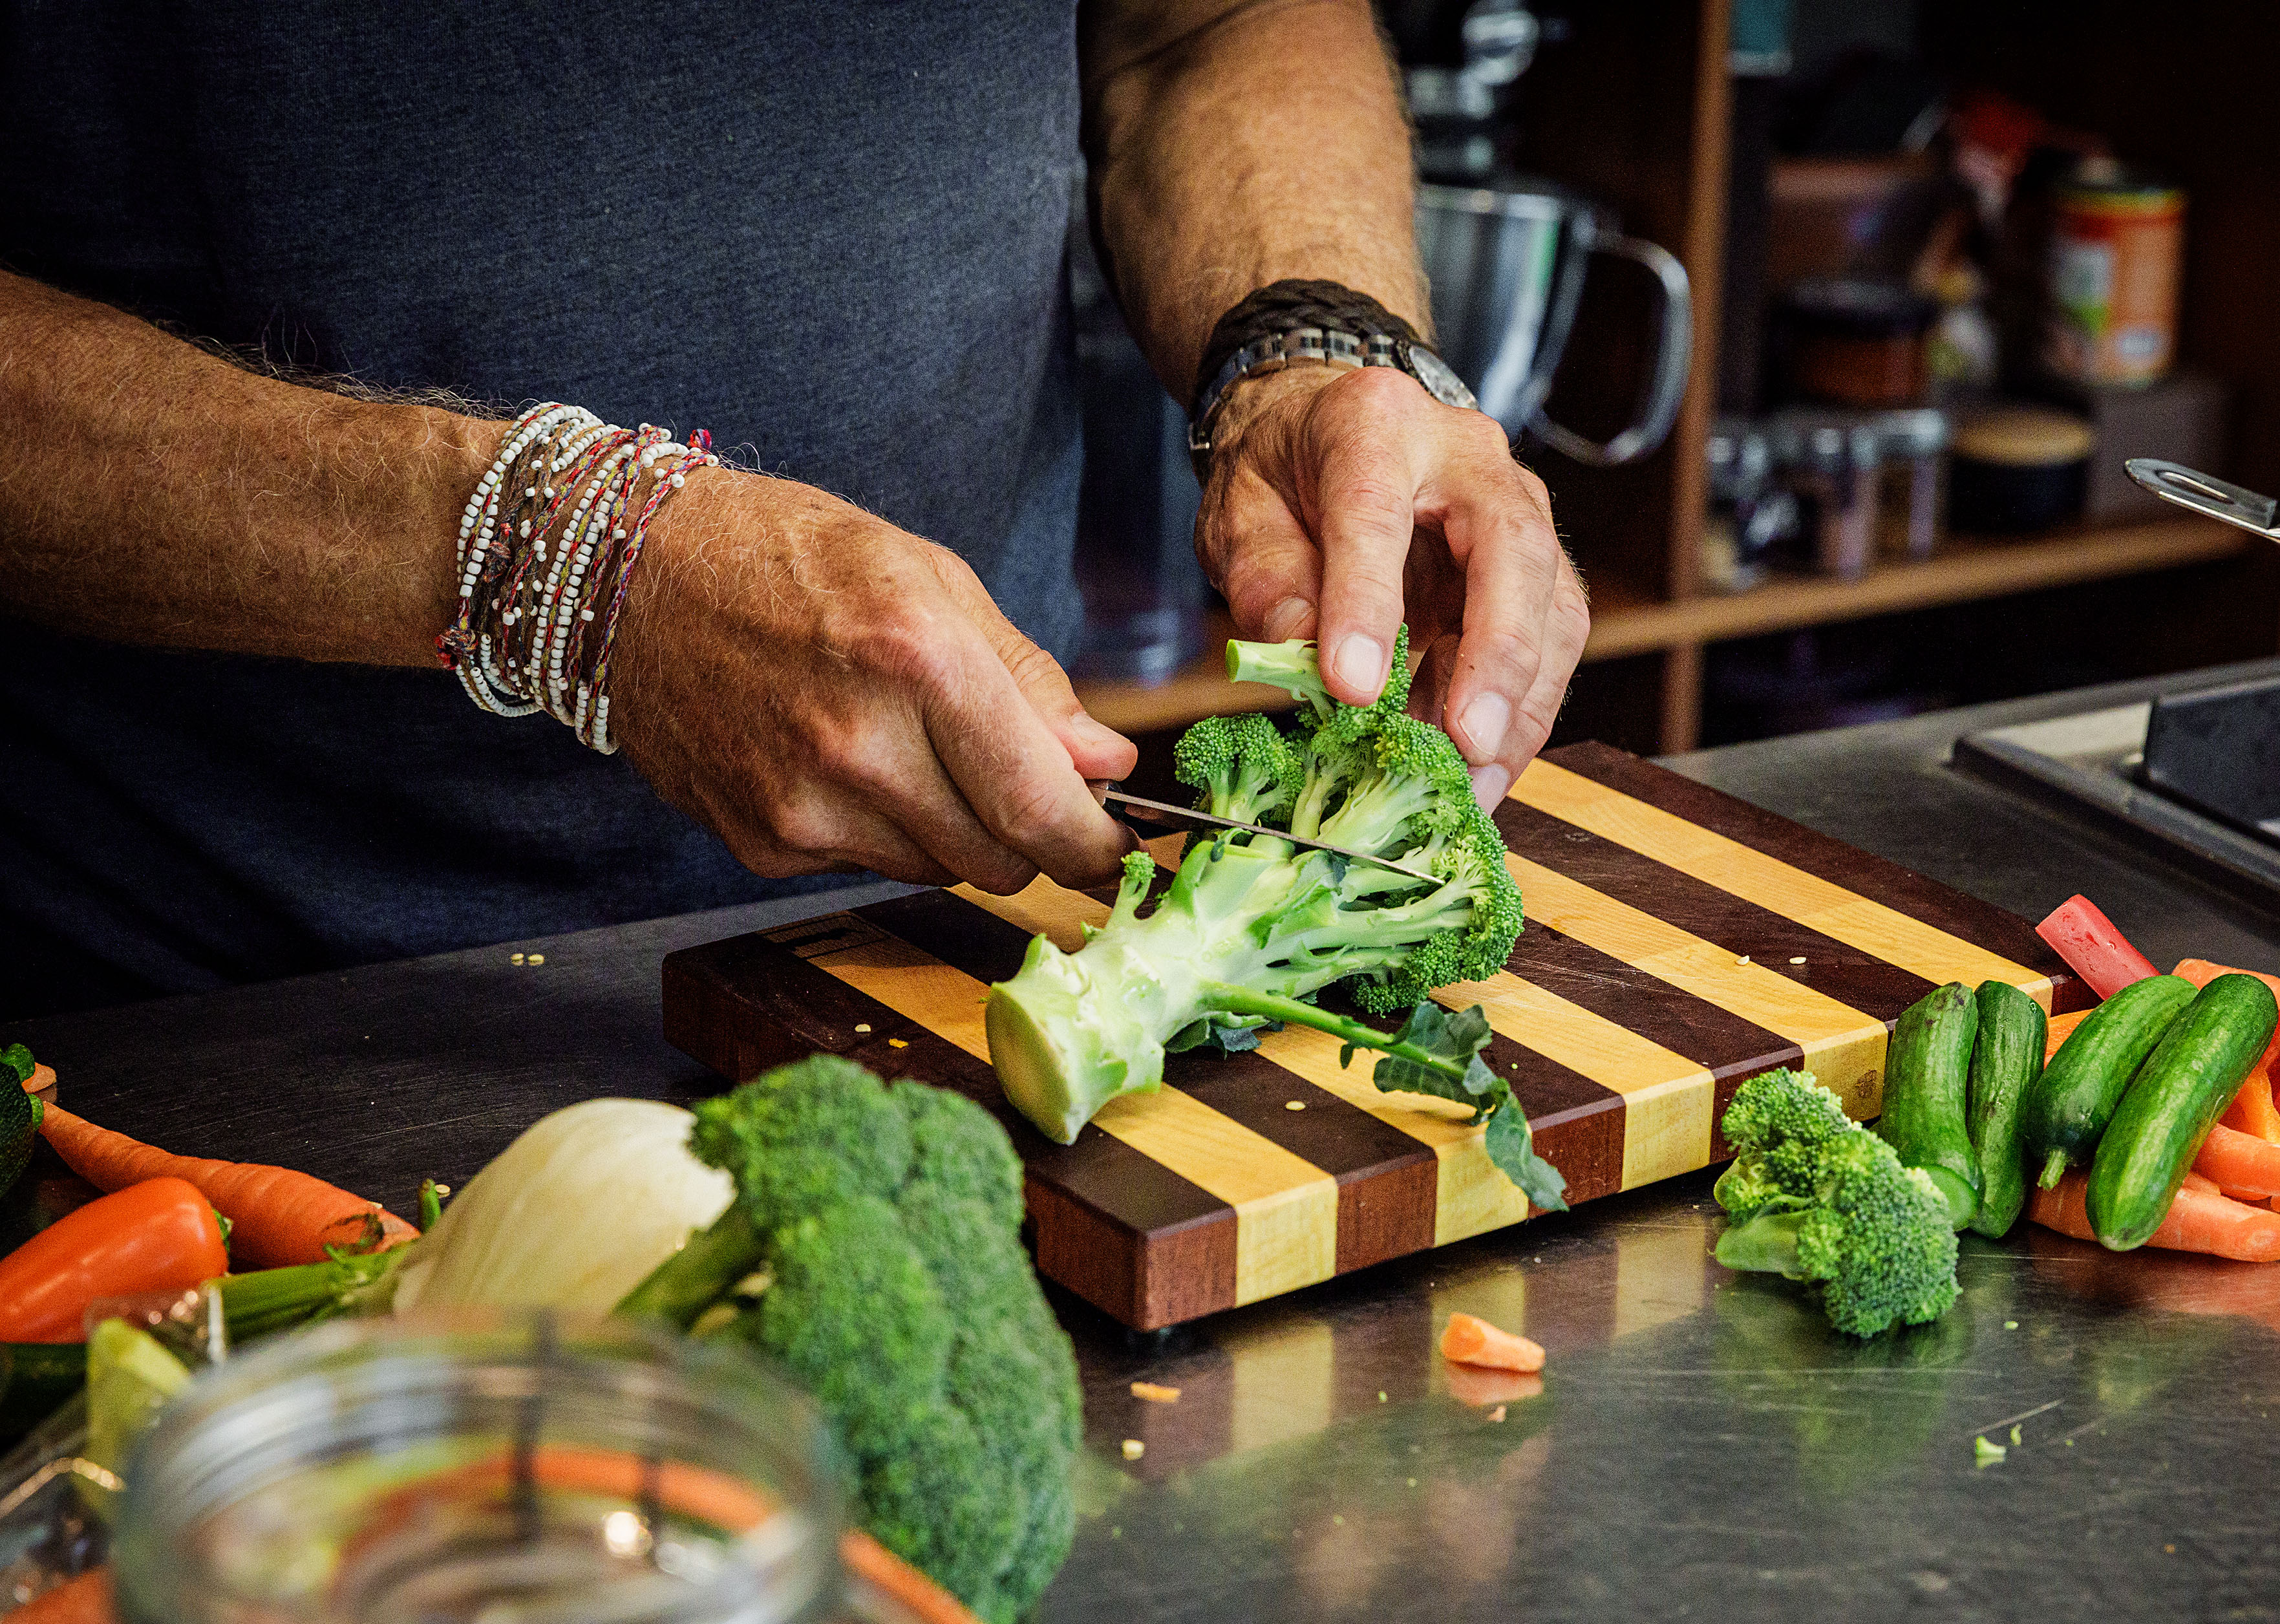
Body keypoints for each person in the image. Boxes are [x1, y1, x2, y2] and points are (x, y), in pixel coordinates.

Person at [0, 0, 1588, 1018]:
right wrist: (569, 564)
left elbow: (1207, 25)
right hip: (202, 1014)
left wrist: (1303, 343)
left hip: (944, 956)